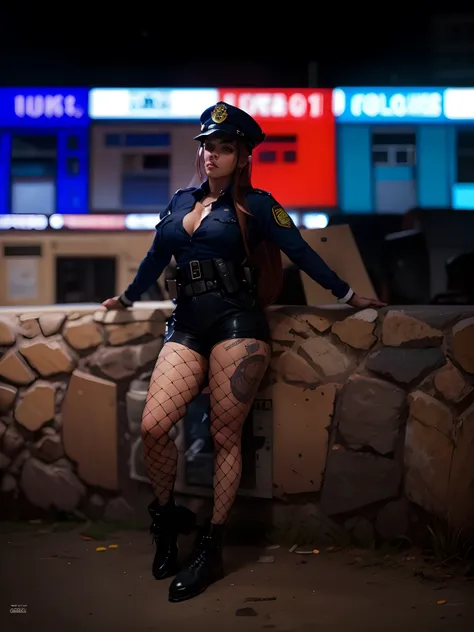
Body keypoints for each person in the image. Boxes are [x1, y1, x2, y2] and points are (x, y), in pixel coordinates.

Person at [102, 101, 385, 603]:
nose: (211, 155)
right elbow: (154, 258)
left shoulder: (258, 205)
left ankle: (211, 545)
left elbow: (300, 250)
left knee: (225, 435)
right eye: (207, 146)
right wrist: (125, 298)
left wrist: (348, 296)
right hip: (186, 321)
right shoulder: (178, 202)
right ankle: (167, 522)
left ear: (243, 156)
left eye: (224, 147)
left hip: (238, 322)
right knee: (153, 425)